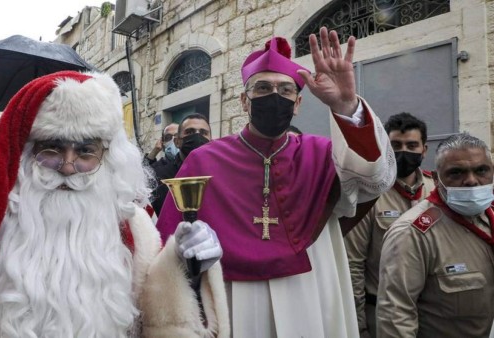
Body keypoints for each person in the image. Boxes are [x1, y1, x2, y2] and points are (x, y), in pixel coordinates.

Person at [0, 70, 229, 337]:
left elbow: (163, 315)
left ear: (107, 156)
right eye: (52, 149)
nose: (68, 167)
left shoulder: (134, 228)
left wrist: (186, 266)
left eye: (86, 151)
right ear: (26, 152)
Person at [156, 27, 395, 337]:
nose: (274, 96)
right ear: (244, 100)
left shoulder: (322, 154)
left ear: (297, 104)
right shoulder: (204, 160)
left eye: (285, 91)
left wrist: (346, 106)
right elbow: (168, 242)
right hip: (230, 293)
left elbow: (376, 179)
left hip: (308, 288)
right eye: (263, 88)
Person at [377, 133, 494, 338]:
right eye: (456, 173)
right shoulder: (411, 234)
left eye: (481, 170)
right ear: (437, 179)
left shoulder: (489, 217)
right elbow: (396, 317)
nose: (472, 181)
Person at [344, 112, 435, 338]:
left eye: (412, 145)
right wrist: (359, 326)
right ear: (385, 147)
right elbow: (353, 264)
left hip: (433, 314)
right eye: (396, 144)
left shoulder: (437, 191)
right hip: (381, 314)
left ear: (424, 150)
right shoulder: (369, 194)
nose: (404, 151)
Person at [151, 113, 212, 216]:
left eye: (203, 132)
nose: (197, 136)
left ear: (211, 141)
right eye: (189, 132)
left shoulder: (221, 174)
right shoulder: (158, 177)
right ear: (177, 142)